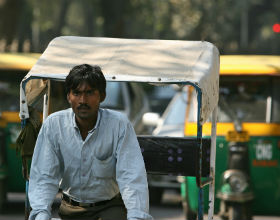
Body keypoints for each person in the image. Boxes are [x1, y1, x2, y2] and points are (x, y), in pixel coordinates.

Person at [28, 64, 153, 220]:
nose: (83, 100)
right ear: (69, 96)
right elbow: (44, 175)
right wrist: (41, 212)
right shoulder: (54, 125)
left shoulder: (119, 124)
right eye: (77, 93)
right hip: (71, 208)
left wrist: (136, 215)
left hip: (109, 207)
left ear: (102, 96)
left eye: (89, 93)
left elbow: (131, 176)